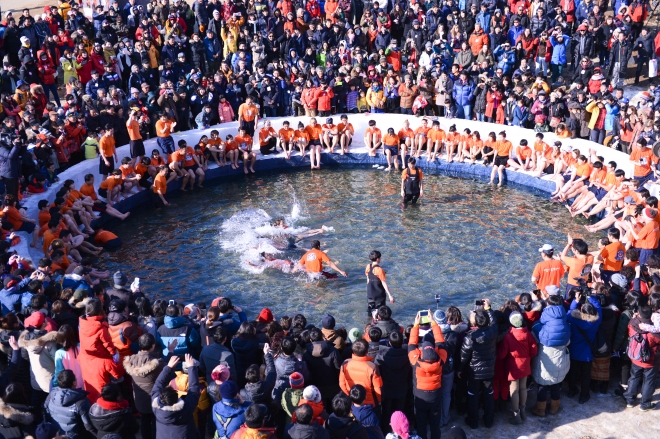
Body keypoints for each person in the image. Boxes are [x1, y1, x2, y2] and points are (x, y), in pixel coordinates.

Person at [408, 310, 447, 439]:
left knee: (421, 424)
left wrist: (415, 326)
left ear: (421, 353)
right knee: (435, 425)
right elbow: (441, 342)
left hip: (420, 397)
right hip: (435, 396)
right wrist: (433, 323)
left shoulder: (416, 361)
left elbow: (412, 344)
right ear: (435, 352)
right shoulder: (440, 360)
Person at [459, 300, 498, 429]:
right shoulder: (493, 332)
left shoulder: (470, 337)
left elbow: (464, 356)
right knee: (488, 394)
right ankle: (489, 421)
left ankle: (473, 421)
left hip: (474, 372)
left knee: (472, 395)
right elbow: (494, 322)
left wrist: (459, 369)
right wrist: (488, 309)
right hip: (489, 370)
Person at [497, 311, 538, 424]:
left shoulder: (508, 336)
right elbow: (534, 349)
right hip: (525, 364)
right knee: (523, 387)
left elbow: (502, 354)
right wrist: (528, 357)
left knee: (514, 390)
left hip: (513, 366)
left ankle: (516, 415)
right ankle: (523, 411)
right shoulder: (528, 334)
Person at [152, 353, 201, 439]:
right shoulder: (185, 409)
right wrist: (192, 367)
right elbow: (194, 390)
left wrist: (168, 367)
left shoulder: (156, 407)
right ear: (177, 398)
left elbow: (158, 384)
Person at [46, 370, 96, 439]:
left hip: (58, 434)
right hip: (75, 436)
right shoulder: (82, 403)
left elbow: (47, 412)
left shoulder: (50, 396)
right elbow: (88, 426)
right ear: (74, 383)